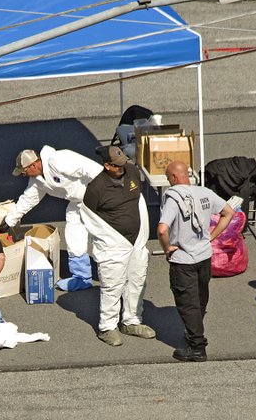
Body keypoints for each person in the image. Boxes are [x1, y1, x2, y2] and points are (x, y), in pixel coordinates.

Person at [157, 160, 235, 362]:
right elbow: (229, 212)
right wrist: (212, 235)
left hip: (184, 259)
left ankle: (197, 346)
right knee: (200, 299)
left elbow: (162, 229)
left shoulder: (173, 198)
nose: (168, 182)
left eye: (168, 178)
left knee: (187, 302)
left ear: (174, 177)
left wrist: (167, 248)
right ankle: (194, 330)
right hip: (204, 256)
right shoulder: (204, 193)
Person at [0, 146, 102, 291]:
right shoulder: (37, 180)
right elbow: (27, 200)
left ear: (33, 165)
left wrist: (108, 192)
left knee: (103, 238)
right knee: (73, 233)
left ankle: (116, 272)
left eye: (24, 171)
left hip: (99, 196)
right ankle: (82, 277)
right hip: (78, 201)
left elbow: (91, 169)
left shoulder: (58, 160)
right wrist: (9, 221)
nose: (24, 175)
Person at [81, 145, 154, 346]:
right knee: (112, 285)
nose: (123, 167)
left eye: (124, 163)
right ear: (107, 165)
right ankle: (107, 327)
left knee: (137, 280)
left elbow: (138, 198)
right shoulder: (96, 188)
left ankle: (131, 321)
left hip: (137, 240)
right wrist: (109, 239)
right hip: (113, 244)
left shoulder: (131, 171)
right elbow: (88, 217)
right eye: (118, 165)